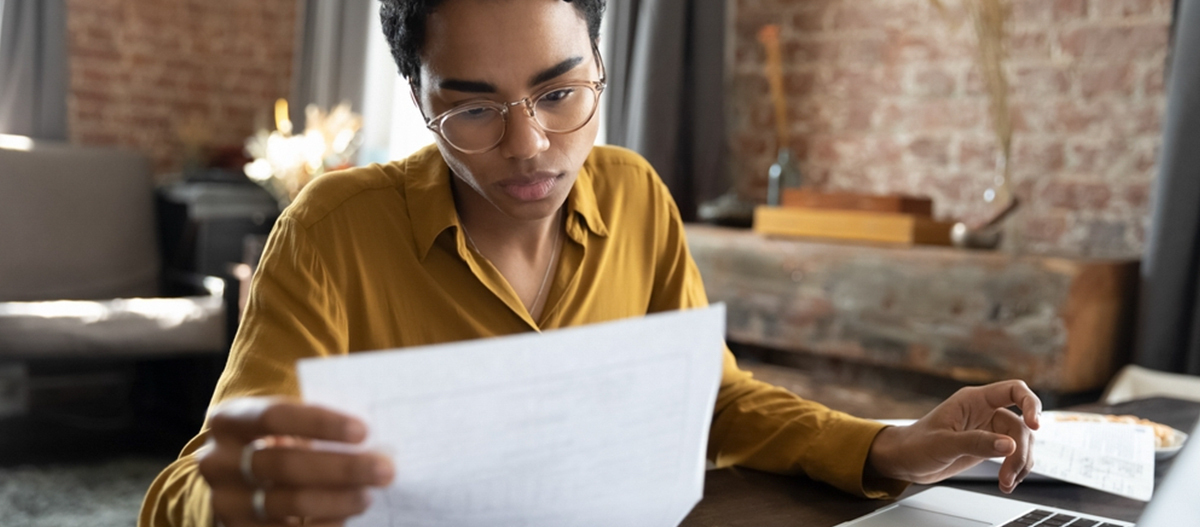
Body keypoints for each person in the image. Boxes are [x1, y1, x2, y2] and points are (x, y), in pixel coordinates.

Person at [139, 0, 1041, 525]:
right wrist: (234, 498)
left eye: (560, 92)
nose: (531, 147)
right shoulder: (332, 230)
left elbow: (714, 400)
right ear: (418, 103)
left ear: (601, 65)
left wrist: (888, 444)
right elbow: (183, 487)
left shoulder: (638, 196)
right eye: (474, 110)